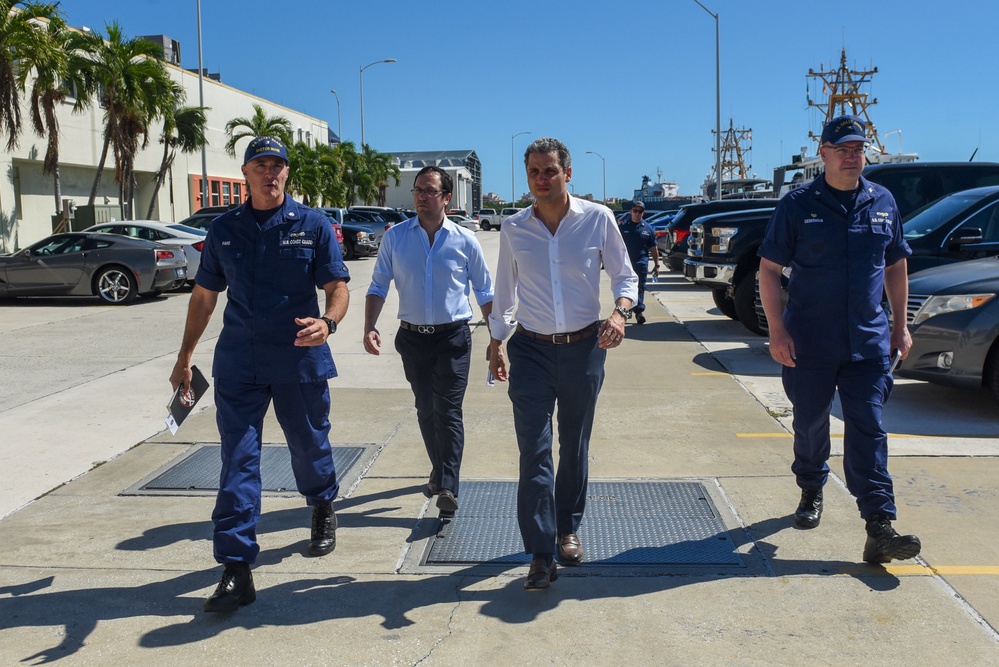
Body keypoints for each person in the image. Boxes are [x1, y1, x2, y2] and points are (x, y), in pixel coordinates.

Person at [169, 136, 350, 613]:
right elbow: (204, 297)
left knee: (310, 445)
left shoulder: (311, 225)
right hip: (240, 364)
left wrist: (328, 322)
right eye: (260, 165)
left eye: (277, 165)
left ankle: (322, 504)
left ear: (287, 173)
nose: (269, 172)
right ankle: (235, 567)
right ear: (245, 173)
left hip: (298, 360)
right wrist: (185, 355)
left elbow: (337, 286)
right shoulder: (225, 229)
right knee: (239, 461)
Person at [758, 115, 921, 564]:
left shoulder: (883, 201)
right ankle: (811, 486)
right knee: (810, 422)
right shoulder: (797, 205)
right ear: (824, 154)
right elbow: (769, 270)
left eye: (858, 149)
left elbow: (895, 265)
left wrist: (899, 324)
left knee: (868, 428)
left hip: (867, 343)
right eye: (843, 149)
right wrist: (777, 330)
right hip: (808, 342)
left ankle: (879, 526)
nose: (853, 157)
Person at [488, 137, 638, 589]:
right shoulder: (515, 228)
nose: (541, 179)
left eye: (550, 171)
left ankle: (567, 527)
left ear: (567, 173)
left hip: (584, 348)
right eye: (534, 171)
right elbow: (505, 292)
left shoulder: (598, 219)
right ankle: (540, 551)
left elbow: (625, 275)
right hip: (530, 351)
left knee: (573, 444)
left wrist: (619, 312)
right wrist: (496, 342)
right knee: (533, 450)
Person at [363, 165, 494, 517]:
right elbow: (378, 285)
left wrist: (497, 340)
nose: (421, 196)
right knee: (426, 409)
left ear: (447, 198)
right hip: (412, 339)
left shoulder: (465, 241)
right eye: (418, 190)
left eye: (429, 191)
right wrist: (369, 326)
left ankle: (448, 486)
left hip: (453, 338)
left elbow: (484, 290)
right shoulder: (396, 237)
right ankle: (440, 468)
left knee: (449, 411)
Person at [618, 200, 660, 324]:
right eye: (635, 211)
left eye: (640, 211)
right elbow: (615, 244)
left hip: (641, 262)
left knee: (639, 286)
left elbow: (653, 247)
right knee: (625, 286)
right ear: (630, 211)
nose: (637, 214)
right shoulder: (623, 227)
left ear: (643, 213)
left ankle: (639, 311)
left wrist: (657, 265)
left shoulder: (647, 229)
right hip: (625, 263)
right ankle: (627, 308)